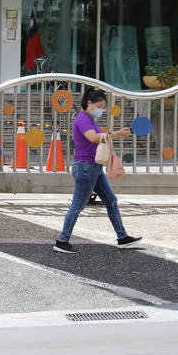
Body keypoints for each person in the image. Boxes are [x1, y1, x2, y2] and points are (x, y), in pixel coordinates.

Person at [54, 88, 142, 253]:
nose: (101, 110)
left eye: (103, 107)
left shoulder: (89, 119)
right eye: (99, 106)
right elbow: (93, 137)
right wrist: (116, 134)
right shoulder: (82, 119)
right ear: (89, 103)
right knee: (77, 205)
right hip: (86, 168)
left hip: (93, 167)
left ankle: (122, 237)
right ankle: (62, 241)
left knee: (111, 200)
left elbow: (97, 137)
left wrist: (113, 135)